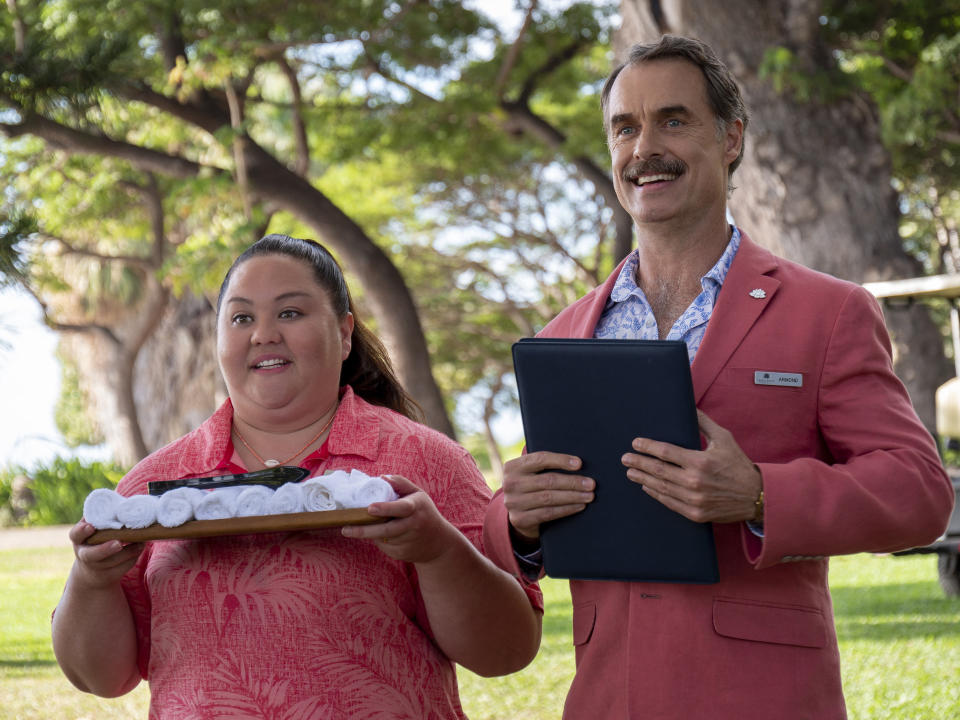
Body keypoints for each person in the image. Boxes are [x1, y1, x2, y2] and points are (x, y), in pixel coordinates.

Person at [482, 35, 955, 719]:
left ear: (731, 137)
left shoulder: (829, 312)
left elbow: (920, 491)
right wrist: (516, 518)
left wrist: (762, 493)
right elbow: (520, 520)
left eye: (672, 119)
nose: (644, 147)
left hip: (767, 700)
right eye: (625, 127)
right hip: (608, 700)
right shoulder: (560, 337)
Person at [53, 234, 543, 719]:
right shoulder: (156, 483)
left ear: (345, 332)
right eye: (242, 317)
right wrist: (92, 579)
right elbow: (99, 677)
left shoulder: (425, 460)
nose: (263, 333)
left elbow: (506, 651)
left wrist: (438, 551)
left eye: (289, 312)